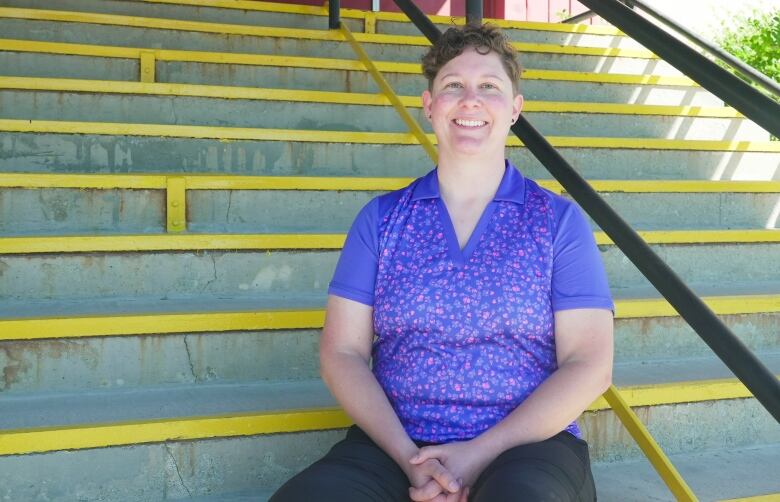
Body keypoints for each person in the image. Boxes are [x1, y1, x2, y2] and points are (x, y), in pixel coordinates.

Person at [271, 23, 614, 502]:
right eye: (453, 85)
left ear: (515, 109)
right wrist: (411, 460)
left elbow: (589, 364)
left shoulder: (557, 222)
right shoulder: (382, 220)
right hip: (396, 446)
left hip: (527, 447)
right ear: (430, 105)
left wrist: (477, 453)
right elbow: (342, 353)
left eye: (489, 87)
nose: (470, 100)